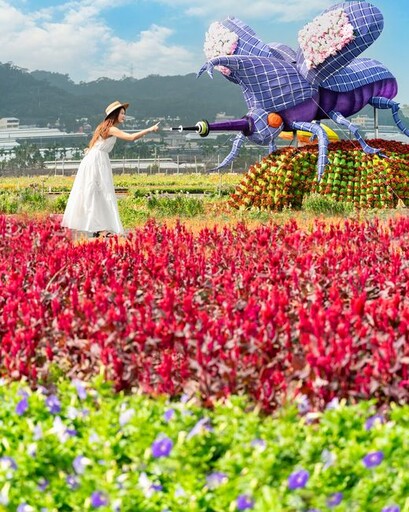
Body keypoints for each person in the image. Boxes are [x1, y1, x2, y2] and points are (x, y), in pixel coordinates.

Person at [61, 100, 160, 238]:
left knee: (94, 194)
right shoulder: (111, 129)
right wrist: (149, 129)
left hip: (93, 159)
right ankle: (101, 228)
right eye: (122, 113)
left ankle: (98, 227)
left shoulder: (101, 127)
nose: (124, 116)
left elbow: (93, 145)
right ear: (115, 114)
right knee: (102, 193)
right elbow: (130, 138)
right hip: (98, 161)